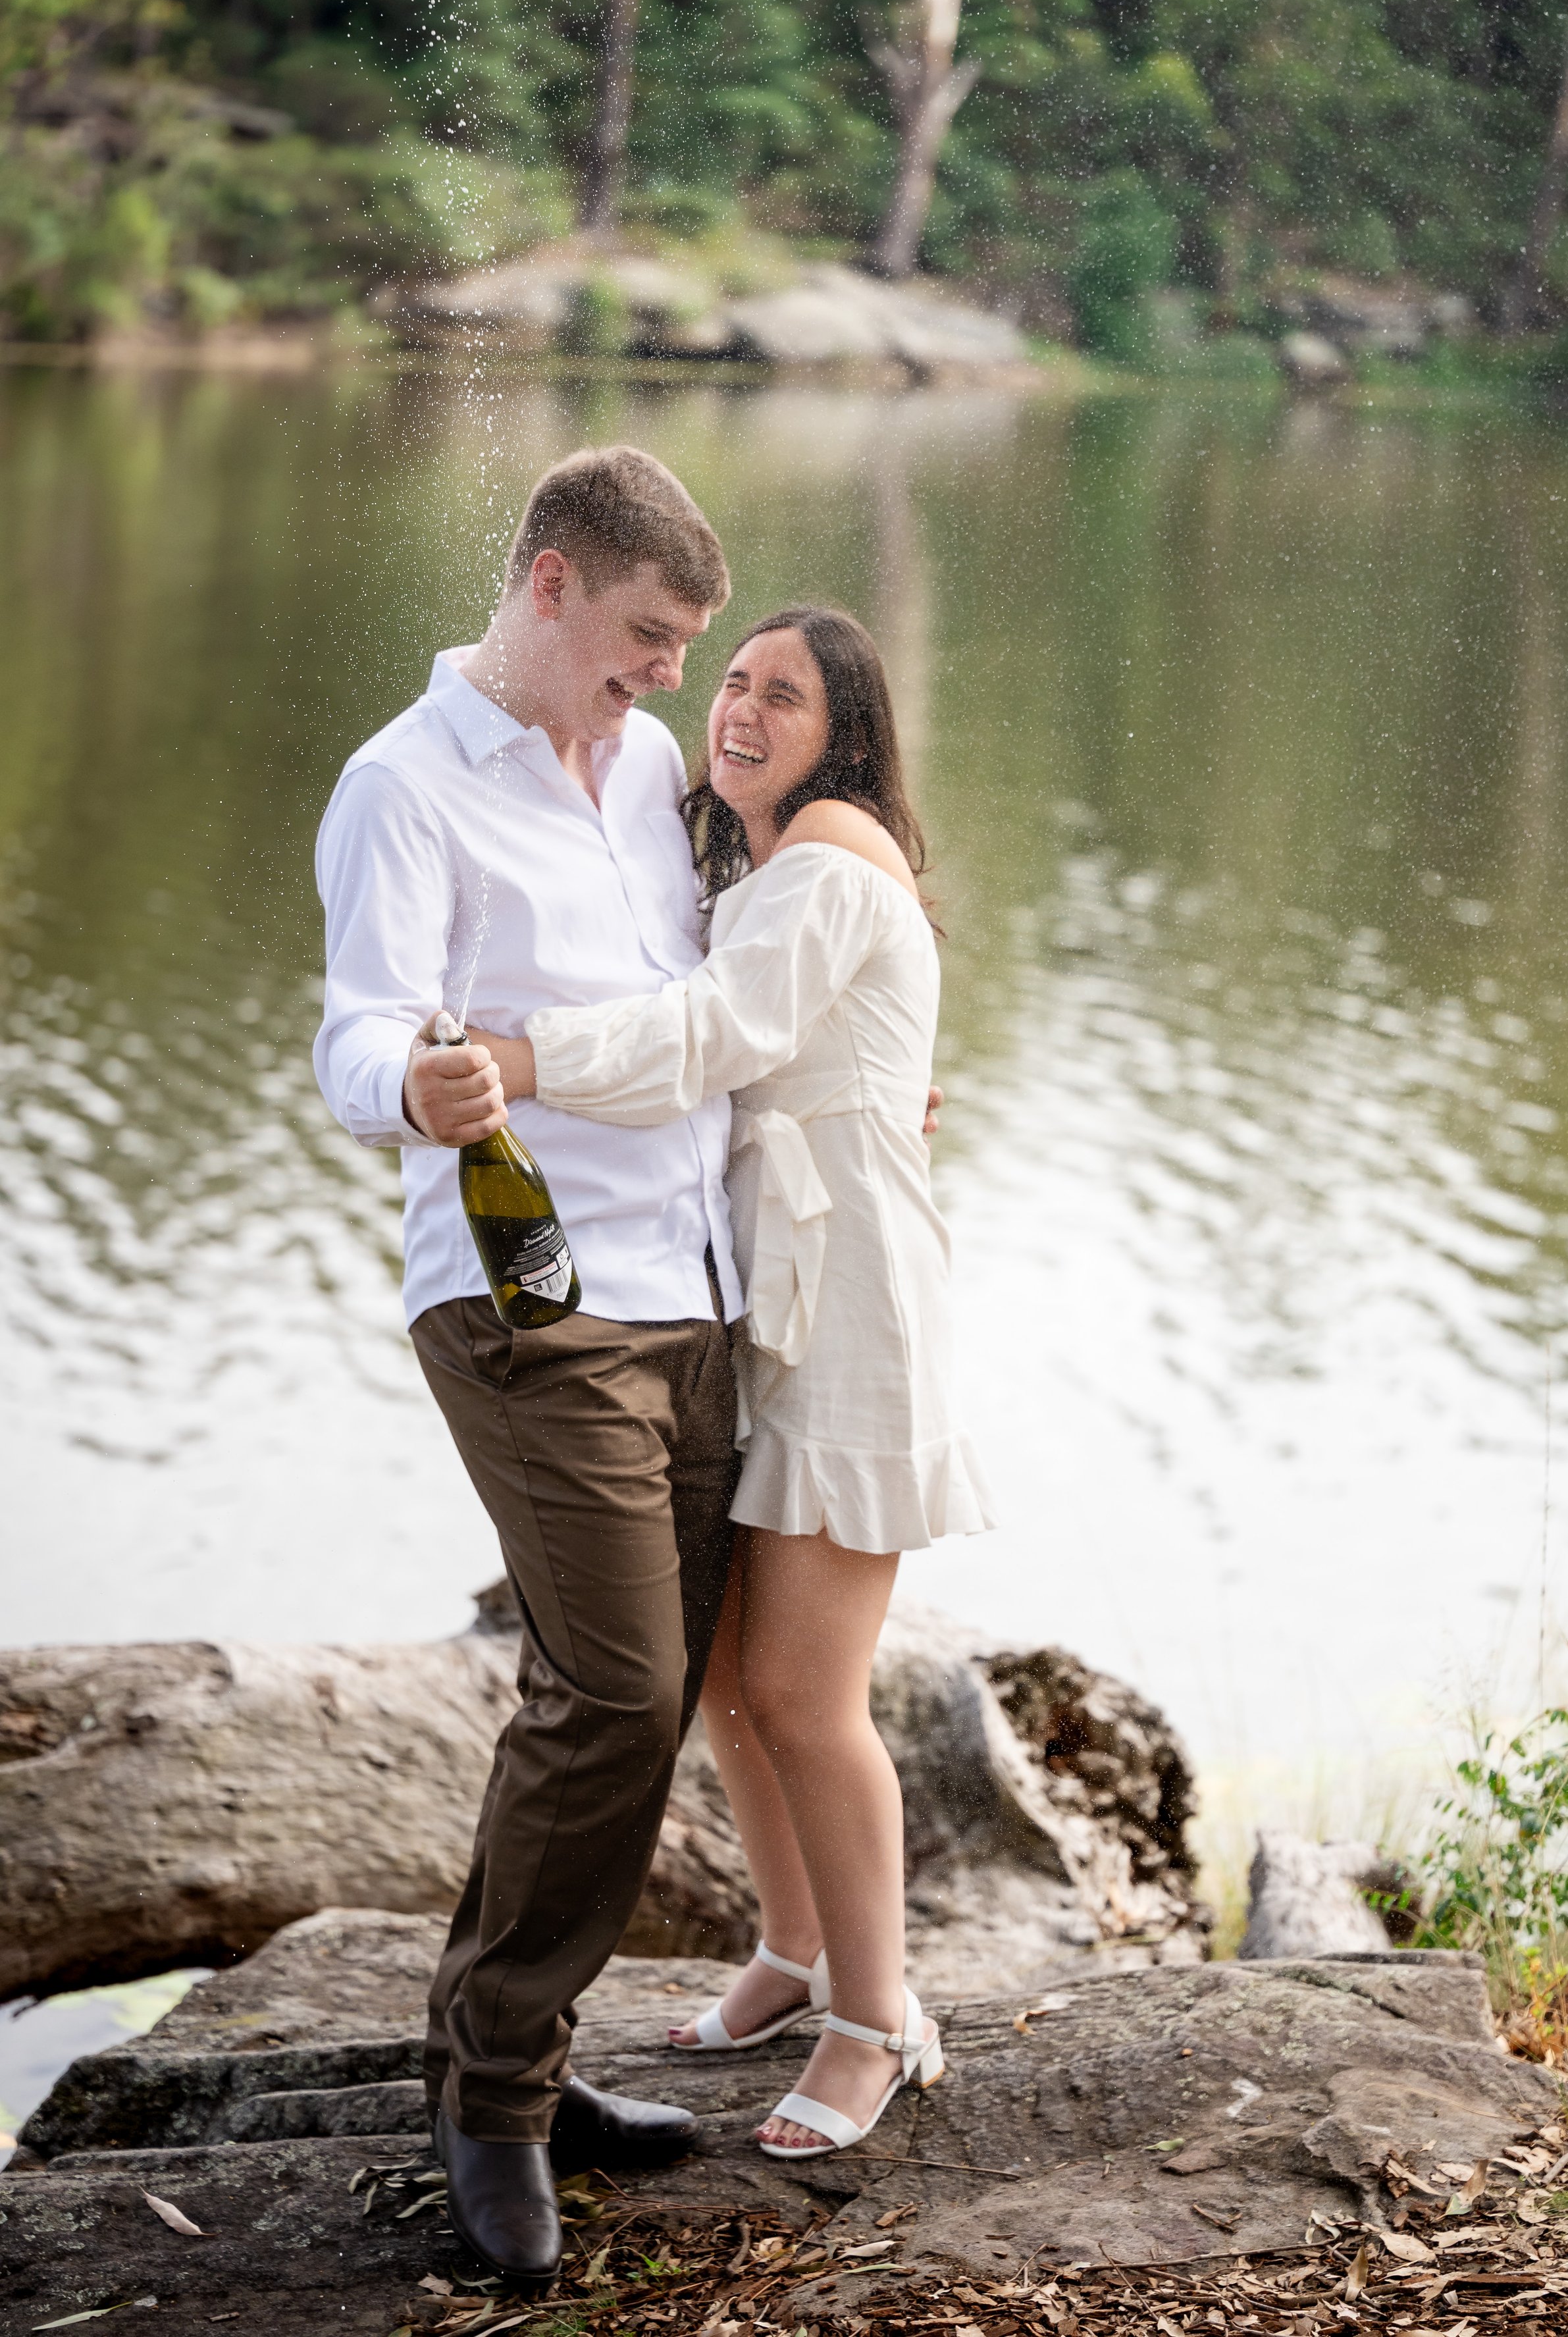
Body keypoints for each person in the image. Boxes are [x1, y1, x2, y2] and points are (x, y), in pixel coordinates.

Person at [459, 604, 994, 2161]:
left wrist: (527, 1057)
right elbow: (791, 1037)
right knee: (726, 1682)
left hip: (849, 1311)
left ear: (845, 737)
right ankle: (791, 1947)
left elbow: (721, 1030)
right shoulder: (762, 864)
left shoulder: (825, 847)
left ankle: (873, 2023)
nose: (742, 712)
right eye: (735, 684)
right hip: (769, 1294)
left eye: (787, 696)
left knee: (806, 1700)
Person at [312, 446, 748, 2280]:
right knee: (619, 1684)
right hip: (524, 1292)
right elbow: (351, 1028)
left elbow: (695, 1005)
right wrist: (412, 1083)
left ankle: (513, 2045)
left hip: (697, 1284)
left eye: (683, 647)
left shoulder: (641, 764)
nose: (665, 678)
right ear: (553, 584)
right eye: (647, 635)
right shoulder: (404, 784)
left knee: (627, 1689)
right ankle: (492, 2103)